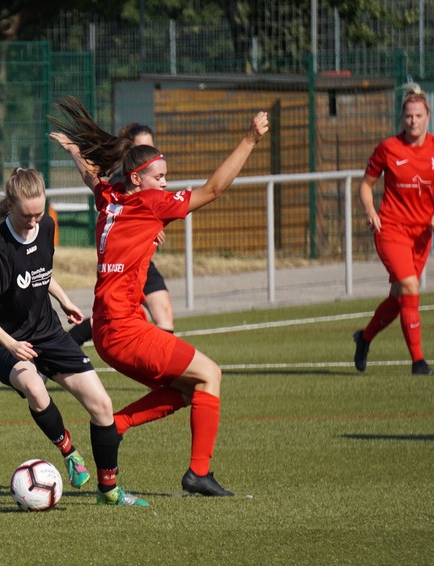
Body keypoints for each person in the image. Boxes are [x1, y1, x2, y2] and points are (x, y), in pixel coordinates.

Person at [50, 96, 270, 497]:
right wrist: (250, 139)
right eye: (160, 177)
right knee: (211, 374)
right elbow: (215, 189)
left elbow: (92, 179)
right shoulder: (149, 203)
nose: (165, 184)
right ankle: (196, 473)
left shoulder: (112, 199)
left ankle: (115, 428)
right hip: (125, 330)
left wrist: (76, 152)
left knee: (190, 389)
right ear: (138, 179)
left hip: (106, 334)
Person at [0, 167, 146, 506]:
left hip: (47, 333)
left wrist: (64, 301)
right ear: (10, 206)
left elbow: (42, 274)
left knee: (102, 405)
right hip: (5, 344)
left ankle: (109, 491)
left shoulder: (45, 226)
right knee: (35, 387)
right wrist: (11, 344)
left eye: (40, 212)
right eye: (27, 215)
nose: (35, 221)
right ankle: (68, 451)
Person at [354, 83, 434, 376]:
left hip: (421, 235)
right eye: (408, 116)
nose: (412, 121)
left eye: (418, 116)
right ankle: (418, 362)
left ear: (428, 116)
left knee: (399, 298)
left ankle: (363, 338)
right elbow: (365, 185)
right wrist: (370, 211)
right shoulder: (388, 148)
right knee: (412, 287)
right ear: (401, 119)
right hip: (390, 229)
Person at [68, 121, 175, 346]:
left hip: (142, 261)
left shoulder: (154, 182)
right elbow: (117, 209)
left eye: (152, 147)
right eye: (143, 147)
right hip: (123, 265)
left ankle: (163, 374)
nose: (152, 155)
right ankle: (65, 345)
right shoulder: (122, 185)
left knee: (164, 313)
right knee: (110, 319)